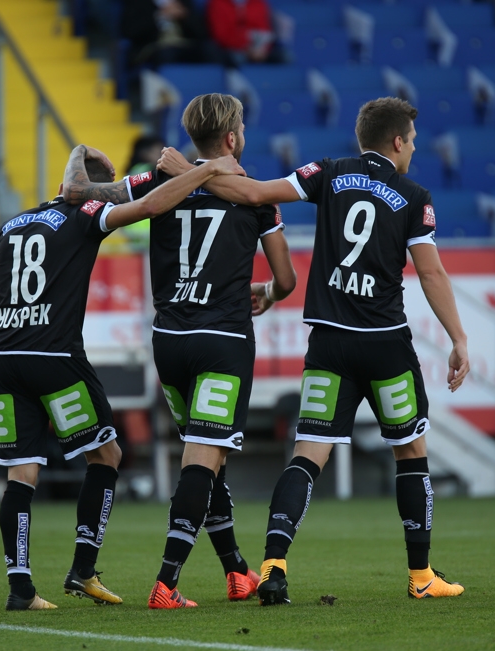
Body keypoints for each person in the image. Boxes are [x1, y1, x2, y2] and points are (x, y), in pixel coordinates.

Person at [158, 96, 470, 603]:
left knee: (307, 456)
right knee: (411, 453)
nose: (413, 149)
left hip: (329, 342)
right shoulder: (414, 195)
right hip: (385, 345)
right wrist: (458, 338)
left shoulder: (328, 172)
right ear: (397, 141)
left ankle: (274, 564)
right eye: (411, 141)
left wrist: (186, 171)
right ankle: (421, 577)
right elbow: (430, 272)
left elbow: (254, 192)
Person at [0, 146, 243, 611]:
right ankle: (83, 569)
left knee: (21, 474)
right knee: (107, 455)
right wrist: (207, 170)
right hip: (54, 355)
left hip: (7, 356)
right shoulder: (87, 212)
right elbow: (151, 206)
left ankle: (21, 589)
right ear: (93, 189)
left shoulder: (9, 227)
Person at [62, 93, 297, 609]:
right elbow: (285, 279)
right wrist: (270, 294)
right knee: (202, 457)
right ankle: (166, 583)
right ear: (232, 137)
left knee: (208, 458)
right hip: (223, 340)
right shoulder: (257, 196)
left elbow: (83, 195)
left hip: (169, 342)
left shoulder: (159, 180)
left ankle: (237, 570)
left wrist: (88, 163)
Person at [120, 0, 217, 69]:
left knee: (212, 50)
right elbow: (130, 31)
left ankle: (214, 95)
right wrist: (160, 15)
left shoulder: (183, 2)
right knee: (167, 54)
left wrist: (184, 16)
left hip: (185, 44)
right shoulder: (138, 2)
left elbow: (202, 33)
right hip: (153, 47)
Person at [207, 0, 278, 65]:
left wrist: (262, 49)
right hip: (230, 49)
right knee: (236, 58)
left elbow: (264, 32)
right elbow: (221, 36)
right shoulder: (217, 3)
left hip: (258, 49)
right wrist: (247, 47)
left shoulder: (258, 3)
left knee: (282, 56)